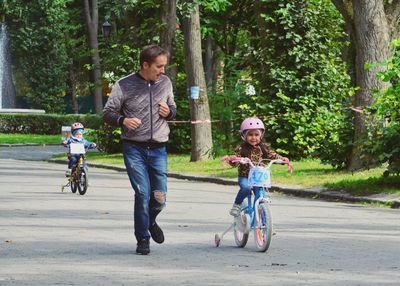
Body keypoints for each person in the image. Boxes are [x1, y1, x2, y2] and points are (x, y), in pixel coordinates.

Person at [103, 44, 176, 255]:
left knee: (160, 198)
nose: (162, 71)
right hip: (134, 148)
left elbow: (173, 108)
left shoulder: (165, 83)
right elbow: (108, 113)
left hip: (159, 148)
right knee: (143, 194)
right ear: (145, 65)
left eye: (164, 67)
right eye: (159, 67)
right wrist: (123, 120)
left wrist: (169, 111)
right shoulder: (124, 85)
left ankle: (150, 221)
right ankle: (142, 238)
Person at [223, 117, 292, 217]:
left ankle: (265, 224)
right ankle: (237, 204)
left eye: (256, 135)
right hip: (245, 176)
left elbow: (272, 155)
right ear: (244, 136)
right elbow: (236, 160)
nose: (253, 137)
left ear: (261, 135)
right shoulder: (241, 148)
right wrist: (233, 160)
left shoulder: (264, 147)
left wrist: (282, 160)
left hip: (259, 176)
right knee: (246, 188)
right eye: (250, 135)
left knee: (261, 197)